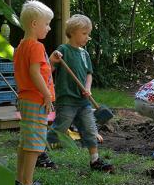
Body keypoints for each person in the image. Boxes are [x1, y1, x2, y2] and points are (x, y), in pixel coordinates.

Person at [46, 14, 114, 172]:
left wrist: (88, 88)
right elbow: (49, 69)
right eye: (84, 33)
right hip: (67, 100)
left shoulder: (85, 54)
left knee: (90, 129)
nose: (87, 37)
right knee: (59, 129)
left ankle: (95, 160)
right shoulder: (63, 50)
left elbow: (89, 73)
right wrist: (52, 59)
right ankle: (41, 153)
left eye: (88, 33)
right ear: (72, 32)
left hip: (83, 101)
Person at [13, 0, 60, 185]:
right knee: (35, 145)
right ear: (34, 24)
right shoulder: (36, 46)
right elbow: (35, 73)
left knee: (26, 142)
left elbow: (36, 69)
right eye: (47, 24)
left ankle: (21, 181)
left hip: (25, 99)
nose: (49, 28)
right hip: (36, 100)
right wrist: (47, 95)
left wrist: (50, 62)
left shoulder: (22, 45)